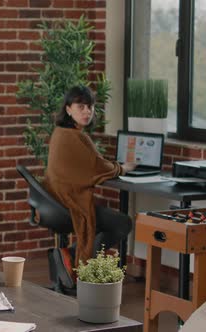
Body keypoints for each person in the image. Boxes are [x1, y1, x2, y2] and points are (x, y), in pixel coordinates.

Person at [44, 85, 135, 289]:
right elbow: (96, 166)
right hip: (69, 203)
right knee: (123, 223)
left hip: (56, 201)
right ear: (68, 109)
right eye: (81, 106)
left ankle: (70, 256)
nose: (87, 111)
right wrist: (123, 168)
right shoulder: (75, 136)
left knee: (104, 224)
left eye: (91, 107)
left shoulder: (61, 132)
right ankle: (73, 256)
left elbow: (89, 165)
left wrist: (109, 167)